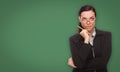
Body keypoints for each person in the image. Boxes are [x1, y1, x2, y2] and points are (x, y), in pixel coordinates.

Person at [68, 5, 112, 72]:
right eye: (84, 18)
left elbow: (103, 63)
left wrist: (77, 62)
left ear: (95, 18)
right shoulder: (73, 39)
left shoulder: (106, 36)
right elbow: (79, 64)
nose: (88, 22)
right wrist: (86, 40)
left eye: (91, 18)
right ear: (79, 19)